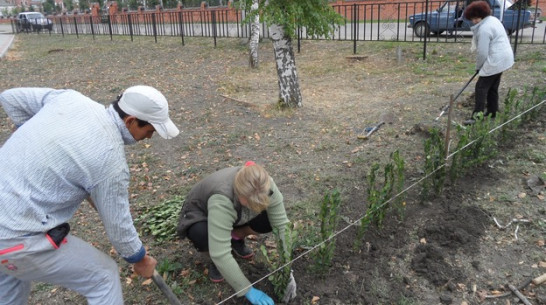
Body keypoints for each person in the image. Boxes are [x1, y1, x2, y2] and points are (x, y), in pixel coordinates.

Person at [0, 85, 180, 305]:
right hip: (15, 236)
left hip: (7, 228)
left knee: (10, 283)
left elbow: (11, 98)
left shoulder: (70, 100)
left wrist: (25, 130)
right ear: (131, 121)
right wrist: (140, 259)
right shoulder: (110, 161)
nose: (150, 138)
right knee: (103, 278)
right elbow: (119, 228)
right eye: (150, 131)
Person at [177, 162, 296, 305]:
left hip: (235, 214)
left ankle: (235, 237)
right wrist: (247, 290)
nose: (255, 206)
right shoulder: (222, 199)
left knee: (268, 220)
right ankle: (214, 259)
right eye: (251, 203)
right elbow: (221, 253)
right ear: (240, 195)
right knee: (201, 234)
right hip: (202, 215)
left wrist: (287, 270)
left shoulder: (265, 185)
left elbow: (282, 226)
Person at [463, 0, 514, 125]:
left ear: (482, 15)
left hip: (496, 59)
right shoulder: (493, 20)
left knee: (480, 88)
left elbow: (482, 52)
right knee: (492, 87)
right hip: (504, 57)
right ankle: (492, 111)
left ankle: (477, 117)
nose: (473, 21)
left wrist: (479, 67)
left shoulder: (484, 29)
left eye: (475, 18)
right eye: (472, 19)